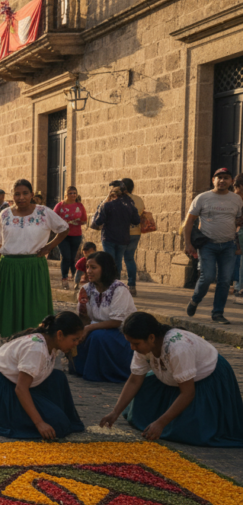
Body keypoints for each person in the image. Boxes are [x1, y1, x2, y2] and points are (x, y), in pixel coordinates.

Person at [100, 312, 243, 447]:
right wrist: (115, 412)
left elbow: (188, 393)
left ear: (151, 337)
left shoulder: (178, 348)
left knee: (187, 432)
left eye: (136, 344)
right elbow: (134, 380)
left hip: (206, 379)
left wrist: (161, 423)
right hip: (174, 378)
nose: (132, 348)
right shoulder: (144, 347)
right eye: (130, 343)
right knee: (142, 396)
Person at [0, 313, 86, 439]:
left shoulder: (49, 342)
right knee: (58, 424)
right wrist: (39, 423)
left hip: (10, 380)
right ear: (59, 335)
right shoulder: (36, 349)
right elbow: (20, 389)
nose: (76, 344)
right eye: (74, 339)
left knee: (58, 378)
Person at [0, 179, 69, 338]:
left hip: (34, 266)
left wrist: (49, 246)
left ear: (32, 194)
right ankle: (12, 341)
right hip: (9, 267)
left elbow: (64, 228)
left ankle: (35, 340)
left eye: (25, 193)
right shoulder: (5, 214)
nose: (21, 197)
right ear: (12, 196)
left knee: (35, 305)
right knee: (11, 306)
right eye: (17, 194)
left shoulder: (43, 212)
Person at [183, 167, 243, 324]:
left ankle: (217, 313)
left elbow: (237, 221)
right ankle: (195, 299)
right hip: (208, 245)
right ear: (213, 180)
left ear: (231, 181)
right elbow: (189, 222)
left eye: (226, 178)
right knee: (208, 276)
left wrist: (237, 243)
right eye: (219, 177)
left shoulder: (236, 200)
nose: (222, 180)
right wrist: (188, 243)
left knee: (224, 281)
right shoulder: (202, 198)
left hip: (228, 245)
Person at [73, 251, 136, 382]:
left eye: (93, 267)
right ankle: (81, 368)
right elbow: (85, 320)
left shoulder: (119, 289)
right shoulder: (86, 288)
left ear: (105, 269)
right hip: (97, 329)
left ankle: (102, 372)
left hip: (121, 333)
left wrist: (89, 328)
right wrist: (83, 315)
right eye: (87, 267)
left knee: (96, 336)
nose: (89, 271)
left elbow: (117, 322)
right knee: (76, 335)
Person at [92, 180, 140, 290]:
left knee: (109, 261)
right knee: (118, 262)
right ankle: (117, 284)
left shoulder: (108, 205)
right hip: (123, 238)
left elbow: (98, 221)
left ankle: (110, 284)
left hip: (109, 237)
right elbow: (136, 220)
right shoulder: (130, 204)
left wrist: (104, 203)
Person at [53, 186, 88, 290]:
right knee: (66, 257)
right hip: (63, 235)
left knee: (73, 258)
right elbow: (53, 218)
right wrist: (63, 222)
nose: (73, 195)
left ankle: (75, 279)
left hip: (76, 234)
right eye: (70, 193)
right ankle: (64, 278)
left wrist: (78, 221)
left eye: (74, 193)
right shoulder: (60, 206)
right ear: (65, 195)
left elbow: (84, 220)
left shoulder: (80, 205)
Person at [122, 178, 146, 296]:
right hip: (135, 232)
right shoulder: (138, 199)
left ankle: (113, 286)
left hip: (121, 232)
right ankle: (132, 286)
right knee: (130, 258)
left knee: (116, 259)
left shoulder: (121, 199)